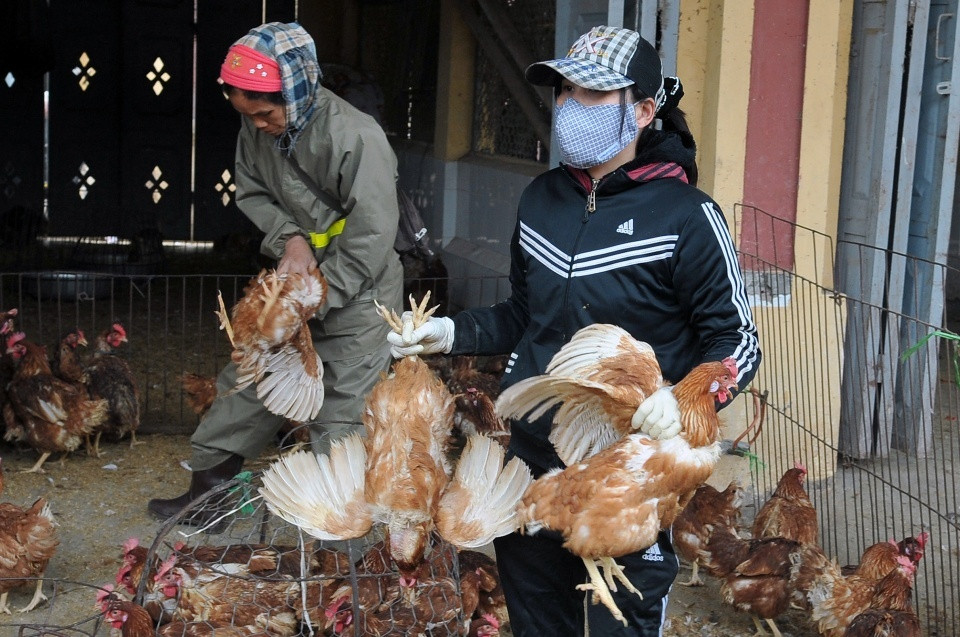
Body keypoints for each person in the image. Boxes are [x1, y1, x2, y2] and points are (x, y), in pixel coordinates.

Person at [389, 26, 761, 636]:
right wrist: (449, 333)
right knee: (537, 619)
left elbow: (738, 339)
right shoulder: (541, 199)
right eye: (564, 91)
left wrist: (689, 397)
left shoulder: (688, 218)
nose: (567, 107)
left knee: (621, 624)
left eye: (590, 95)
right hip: (532, 460)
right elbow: (522, 314)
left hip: (628, 474)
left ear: (642, 111)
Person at [148, 22, 403, 525]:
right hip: (293, 285)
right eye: (246, 114)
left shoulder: (356, 137)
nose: (258, 125)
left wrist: (315, 299)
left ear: (297, 89)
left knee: (342, 415)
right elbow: (253, 192)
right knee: (246, 384)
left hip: (359, 294)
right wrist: (289, 239)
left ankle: (340, 531)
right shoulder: (258, 125)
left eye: (265, 113)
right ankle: (209, 498)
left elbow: (373, 235)